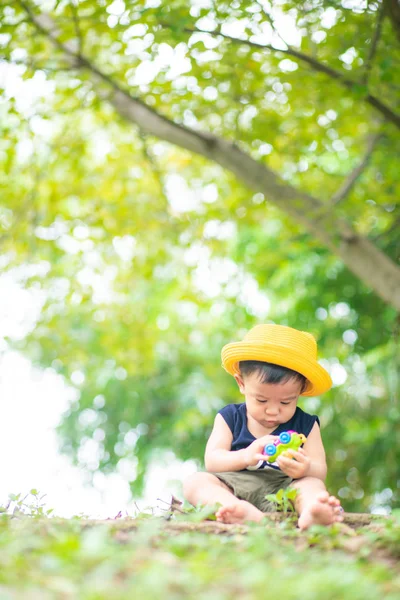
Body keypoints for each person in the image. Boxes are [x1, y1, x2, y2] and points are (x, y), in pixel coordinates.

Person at [183, 324, 344, 529]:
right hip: (235, 486)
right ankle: (236, 509)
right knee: (196, 482)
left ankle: (313, 512)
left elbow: (319, 469)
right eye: (261, 400)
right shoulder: (230, 417)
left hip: (285, 490)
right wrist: (245, 456)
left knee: (312, 485)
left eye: (285, 402)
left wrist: (305, 468)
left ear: (301, 390)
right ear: (241, 383)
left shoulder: (307, 424)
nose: (273, 411)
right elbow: (213, 461)